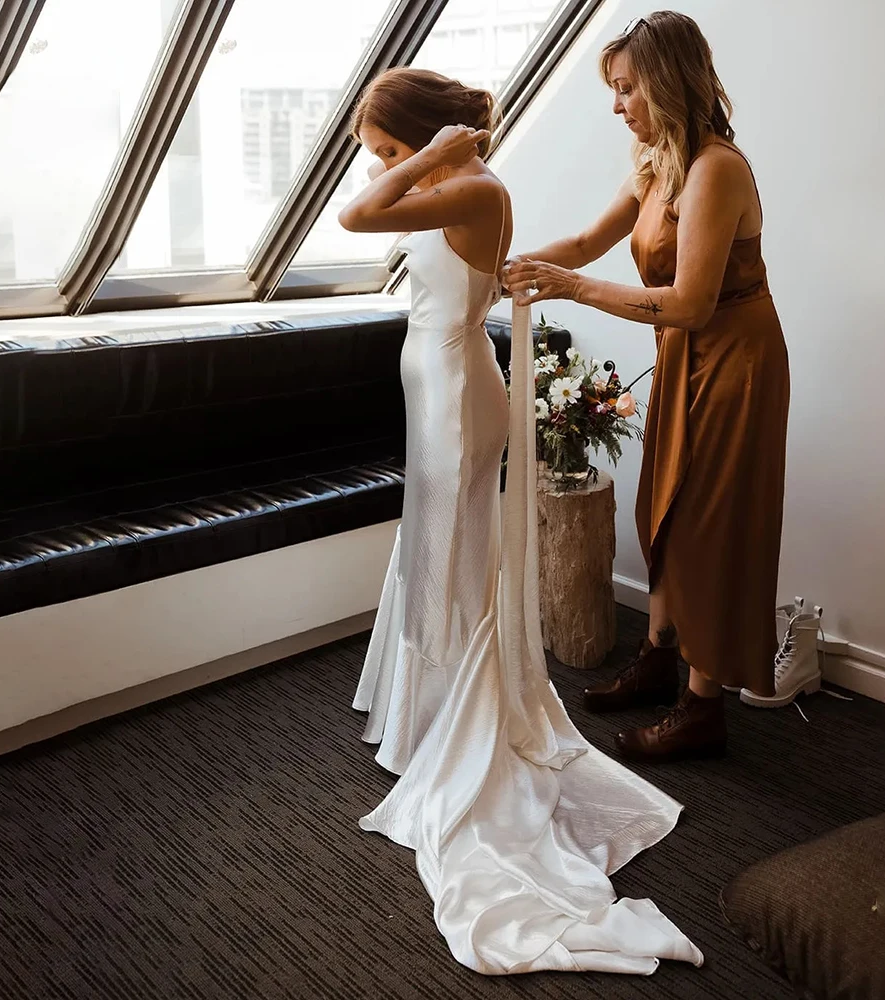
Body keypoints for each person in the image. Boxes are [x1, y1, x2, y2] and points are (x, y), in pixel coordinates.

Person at [338, 66, 702, 976]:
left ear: (429, 138)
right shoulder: (442, 183)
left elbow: (354, 217)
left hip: (460, 395)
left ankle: (457, 730)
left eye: (391, 147)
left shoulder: (468, 184)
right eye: (381, 156)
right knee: (432, 555)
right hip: (435, 391)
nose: (386, 167)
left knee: (454, 556)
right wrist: (418, 156)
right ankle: (425, 725)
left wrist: (429, 154)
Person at [504, 12, 790, 763]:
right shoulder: (655, 158)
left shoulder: (718, 169)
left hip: (734, 356)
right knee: (659, 506)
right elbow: (583, 244)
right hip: (683, 352)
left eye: (626, 88)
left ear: (666, 81)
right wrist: (502, 269)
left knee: (708, 523)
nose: (617, 104)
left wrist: (569, 288)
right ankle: (661, 656)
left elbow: (692, 301)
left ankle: (701, 707)